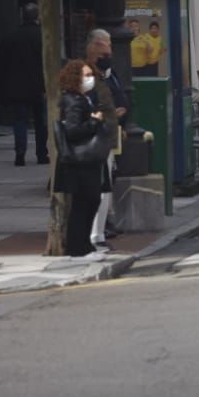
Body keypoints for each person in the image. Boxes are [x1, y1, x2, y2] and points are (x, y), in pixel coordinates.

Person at [54, 59, 106, 259]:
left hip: (84, 160)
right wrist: (95, 120)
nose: (90, 79)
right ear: (75, 78)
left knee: (89, 201)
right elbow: (73, 131)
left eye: (91, 75)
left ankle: (83, 245)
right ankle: (79, 247)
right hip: (81, 161)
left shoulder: (80, 98)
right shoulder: (74, 101)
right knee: (85, 202)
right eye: (86, 75)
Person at [85, 29, 128, 251]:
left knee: (106, 188)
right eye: (105, 48)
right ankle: (94, 236)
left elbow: (121, 96)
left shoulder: (109, 74)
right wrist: (110, 114)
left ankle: (99, 233)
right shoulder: (86, 75)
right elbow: (86, 108)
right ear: (94, 48)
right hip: (95, 139)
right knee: (99, 189)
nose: (110, 51)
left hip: (108, 136)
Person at [0, 3, 49, 167]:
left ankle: (20, 152)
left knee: (20, 121)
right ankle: (41, 153)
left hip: (16, 88)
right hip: (39, 87)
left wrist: (2, 87)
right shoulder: (42, 37)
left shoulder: (10, 37)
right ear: (37, 17)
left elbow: (0, 64)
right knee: (40, 122)